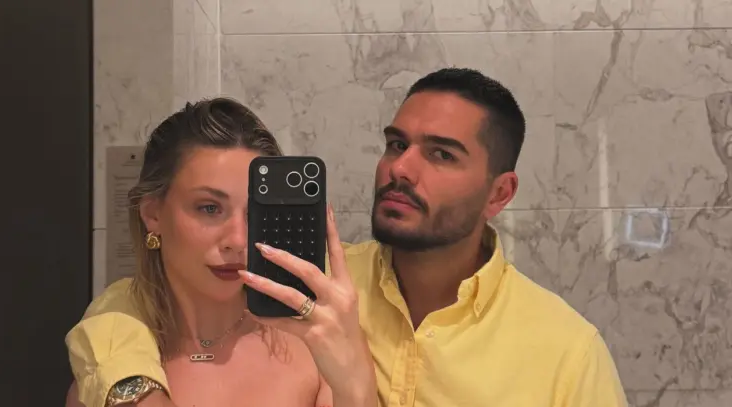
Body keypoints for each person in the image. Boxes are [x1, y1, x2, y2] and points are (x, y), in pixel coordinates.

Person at [66, 68, 628, 407]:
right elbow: (135, 304)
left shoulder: (566, 351)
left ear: (499, 193)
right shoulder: (306, 282)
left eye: (440, 154)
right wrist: (134, 387)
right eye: (396, 144)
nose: (401, 167)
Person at [64, 97, 376, 407]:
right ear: (153, 214)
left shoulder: (311, 353)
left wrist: (355, 388)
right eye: (210, 208)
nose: (237, 240)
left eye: (254, 214)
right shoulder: (110, 373)